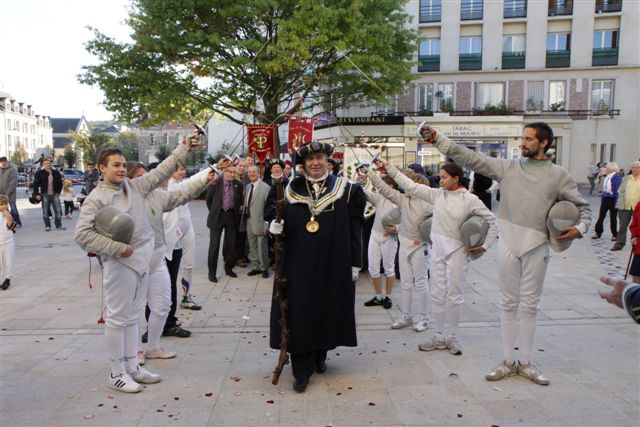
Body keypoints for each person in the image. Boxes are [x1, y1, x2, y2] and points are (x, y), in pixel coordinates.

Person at [420, 121, 591, 385]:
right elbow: (472, 158)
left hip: (536, 244)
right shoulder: (509, 168)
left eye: (529, 139)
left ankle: (526, 363)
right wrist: (437, 139)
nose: (523, 143)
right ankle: (508, 362)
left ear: (544, 142)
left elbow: (583, 208)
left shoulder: (558, 175)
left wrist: (579, 228)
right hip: (509, 242)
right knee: (508, 304)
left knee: (530, 305)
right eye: (522, 138)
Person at [74, 136, 199, 393]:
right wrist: (119, 248)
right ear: (102, 168)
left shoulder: (135, 186)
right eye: (116, 165)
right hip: (120, 264)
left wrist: (184, 147)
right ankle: (116, 373)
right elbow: (82, 235)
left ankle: (132, 366)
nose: (121, 169)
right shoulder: (96, 198)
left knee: (132, 316)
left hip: (142, 260)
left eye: (123, 165)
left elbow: (163, 170)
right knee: (117, 318)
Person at [269, 141, 365, 393]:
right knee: (300, 311)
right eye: (310, 160)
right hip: (297, 264)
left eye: (320, 157)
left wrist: (356, 262)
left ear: (327, 161)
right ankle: (301, 369)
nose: (315, 163)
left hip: (333, 263)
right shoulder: (288, 190)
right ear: (302, 165)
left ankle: (320, 354)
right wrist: (274, 229)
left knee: (327, 309)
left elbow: (355, 229)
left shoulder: (347, 190)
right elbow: (277, 224)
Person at [376, 160, 497, 355]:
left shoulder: (470, 199)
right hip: (437, 251)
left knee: (454, 296)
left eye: (444, 178)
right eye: (440, 177)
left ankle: (453, 337)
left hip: (457, 252)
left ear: (456, 179)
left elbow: (493, 222)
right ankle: (439, 336)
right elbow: (411, 186)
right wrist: (389, 168)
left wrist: (484, 246)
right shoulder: (437, 195)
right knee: (437, 295)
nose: (440, 181)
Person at [367, 167, 434, 332]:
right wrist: (370, 173)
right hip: (404, 245)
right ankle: (407, 316)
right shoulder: (403, 200)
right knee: (405, 282)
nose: (405, 187)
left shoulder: (428, 204)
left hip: (419, 246)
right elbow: (384, 189)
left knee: (421, 282)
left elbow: (435, 223)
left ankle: (424, 318)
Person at [167, 162, 202, 310]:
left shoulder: (182, 183)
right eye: (180, 169)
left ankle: (186, 297)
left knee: (189, 264)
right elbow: (192, 182)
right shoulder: (169, 185)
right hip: (172, 231)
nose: (183, 172)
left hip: (187, 227)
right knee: (170, 268)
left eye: (184, 169)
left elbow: (193, 184)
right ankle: (166, 299)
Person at [362, 174, 398, 309]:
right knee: (373, 267)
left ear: (391, 186)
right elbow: (365, 193)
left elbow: (408, 218)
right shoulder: (379, 197)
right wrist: (357, 183)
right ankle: (378, 297)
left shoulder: (399, 199)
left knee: (389, 268)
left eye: (383, 184)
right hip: (375, 235)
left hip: (389, 237)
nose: (379, 187)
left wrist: (397, 228)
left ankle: (388, 297)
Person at [206, 162, 243, 282]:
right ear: (224, 171)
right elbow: (209, 200)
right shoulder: (215, 183)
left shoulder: (238, 184)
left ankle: (229, 268)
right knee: (214, 245)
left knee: (231, 244)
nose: (232, 175)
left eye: (234, 172)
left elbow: (239, 201)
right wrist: (215, 211)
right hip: (218, 216)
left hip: (231, 216)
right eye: (230, 172)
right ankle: (212, 273)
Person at [243, 165, 270, 278]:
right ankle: (256, 267)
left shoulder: (265, 187)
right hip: (249, 220)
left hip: (261, 222)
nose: (252, 174)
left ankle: (264, 268)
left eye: (254, 172)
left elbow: (269, 208)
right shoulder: (248, 186)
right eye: (249, 172)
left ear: (259, 173)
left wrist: (266, 225)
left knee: (262, 246)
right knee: (252, 245)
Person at [612, 161, 640, 251]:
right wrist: (619, 204)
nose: (634, 169)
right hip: (625, 207)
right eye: (633, 167)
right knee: (622, 227)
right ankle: (619, 244)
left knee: (638, 227)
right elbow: (620, 192)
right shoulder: (626, 178)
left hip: (638, 208)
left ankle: (637, 244)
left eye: (636, 167)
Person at [32, 157, 65, 231]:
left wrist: (58, 192)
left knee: (58, 210)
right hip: (45, 194)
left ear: (51, 164)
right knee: (45, 211)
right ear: (43, 164)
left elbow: (60, 183)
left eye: (49, 163)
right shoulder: (39, 173)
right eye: (46, 163)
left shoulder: (56, 172)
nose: (48, 165)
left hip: (55, 194)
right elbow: (35, 184)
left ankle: (58, 225)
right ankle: (47, 226)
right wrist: (36, 194)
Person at [592, 162, 622, 241]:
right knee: (601, 216)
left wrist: (617, 202)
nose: (606, 169)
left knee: (613, 217)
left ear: (611, 168)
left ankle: (614, 234)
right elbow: (605, 188)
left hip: (613, 198)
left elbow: (617, 190)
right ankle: (598, 232)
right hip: (605, 198)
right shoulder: (607, 176)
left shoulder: (617, 177)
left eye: (607, 168)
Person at [0, 195, 16, 290]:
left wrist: (8, 216)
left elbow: (11, 227)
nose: (4, 206)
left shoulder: (8, 214)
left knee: (8, 262)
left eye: (5, 203)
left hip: (8, 241)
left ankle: (7, 279)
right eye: (1, 204)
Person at [0, 157, 21, 227]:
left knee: (13, 208)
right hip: (1, 194)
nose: (3, 162)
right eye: (1, 161)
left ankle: (17, 222)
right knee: (4, 209)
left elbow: (13, 183)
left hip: (10, 194)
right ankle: (7, 223)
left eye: (4, 161)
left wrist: (7, 194)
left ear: (7, 161)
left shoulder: (12, 170)